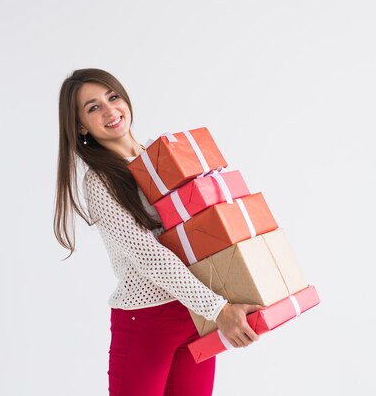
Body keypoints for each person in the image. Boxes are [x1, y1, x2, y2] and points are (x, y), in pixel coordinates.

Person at [53, 68, 262, 396]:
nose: (110, 111)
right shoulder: (100, 182)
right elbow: (149, 256)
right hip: (148, 322)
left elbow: (210, 225)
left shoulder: (163, 156)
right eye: (93, 108)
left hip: (195, 314)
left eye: (113, 97)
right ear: (80, 125)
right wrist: (219, 310)